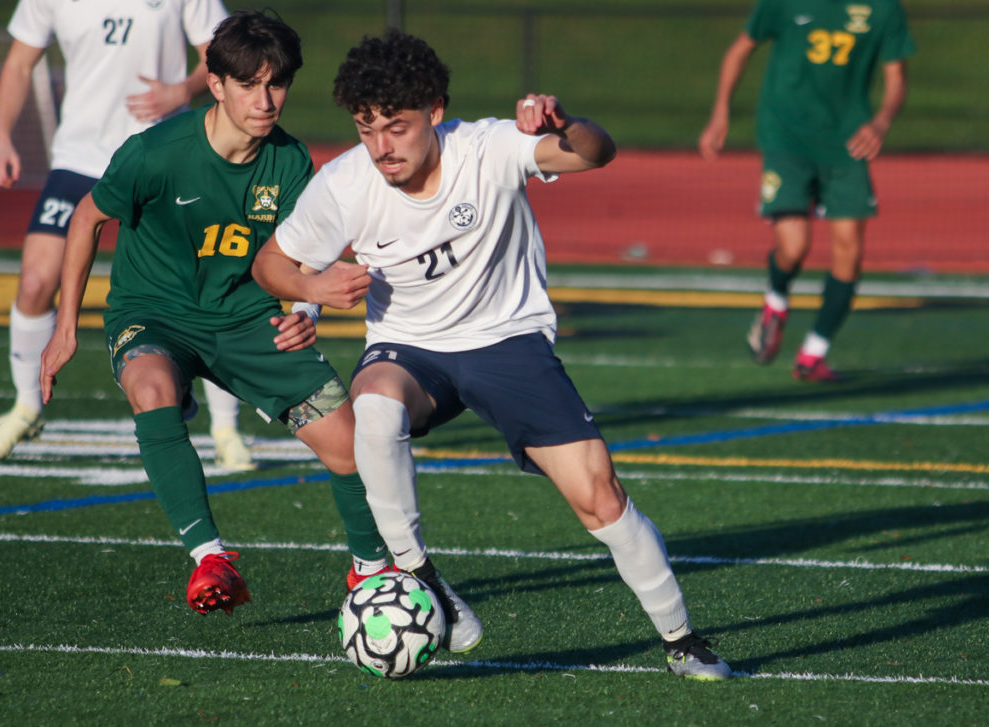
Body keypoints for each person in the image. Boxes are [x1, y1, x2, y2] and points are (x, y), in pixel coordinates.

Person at [252, 29, 732, 678]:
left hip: (509, 344)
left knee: (599, 496)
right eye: (366, 128)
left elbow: (595, 153)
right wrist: (310, 290)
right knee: (374, 409)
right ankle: (425, 580)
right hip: (410, 350)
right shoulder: (344, 184)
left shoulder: (488, 147)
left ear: (436, 112)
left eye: (396, 127)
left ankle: (682, 640)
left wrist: (569, 125)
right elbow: (272, 263)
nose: (381, 146)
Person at [39, 11, 390, 616]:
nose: (264, 99)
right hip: (153, 315)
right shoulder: (155, 153)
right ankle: (211, 558)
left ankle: (371, 571)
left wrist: (305, 306)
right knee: (151, 387)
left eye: (276, 84)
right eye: (249, 84)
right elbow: (87, 218)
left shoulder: (289, 164)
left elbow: (306, 251)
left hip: (247, 320)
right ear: (217, 82)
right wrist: (64, 328)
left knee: (350, 449)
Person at [0, 0, 258, 472]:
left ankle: (225, 429)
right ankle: (27, 407)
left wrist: (182, 91)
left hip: (163, 150)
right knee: (34, 282)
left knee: (207, 282)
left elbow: (222, 56)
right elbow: (20, 62)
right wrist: (0, 136)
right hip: (79, 157)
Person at [699, 0, 915, 381]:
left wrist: (880, 122)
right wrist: (720, 112)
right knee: (794, 247)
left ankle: (814, 352)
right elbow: (740, 49)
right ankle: (776, 299)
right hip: (787, 137)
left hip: (848, 143)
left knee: (850, 249)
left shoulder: (884, 9)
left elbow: (896, 77)